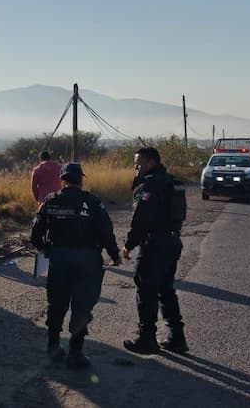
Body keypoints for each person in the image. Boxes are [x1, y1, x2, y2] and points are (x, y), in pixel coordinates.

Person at [31, 162, 121, 369]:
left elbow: (35, 234)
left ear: (62, 180)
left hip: (59, 260)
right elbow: (105, 231)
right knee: (81, 307)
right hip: (87, 261)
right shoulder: (93, 202)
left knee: (57, 305)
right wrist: (114, 255)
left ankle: (53, 348)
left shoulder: (50, 201)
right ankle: (76, 353)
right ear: (81, 180)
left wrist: (47, 250)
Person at [122, 147, 189, 354]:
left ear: (151, 162)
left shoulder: (151, 185)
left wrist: (129, 244)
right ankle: (177, 337)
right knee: (166, 289)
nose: (136, 167)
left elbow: (141, 218)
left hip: (155, 245)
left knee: (146, 290)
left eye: (138, 163)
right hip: (172, 242)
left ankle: (147, 338)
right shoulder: (171, 181)